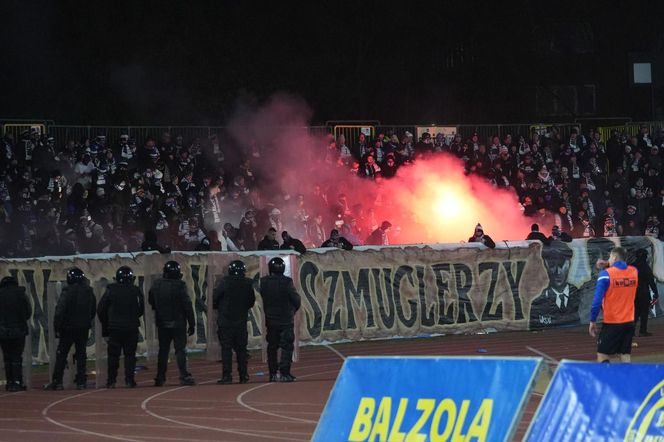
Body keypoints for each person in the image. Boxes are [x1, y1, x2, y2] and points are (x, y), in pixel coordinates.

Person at [45, 268, 96, 390]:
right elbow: (93, 309)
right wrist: (87, 321)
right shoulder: (89, 291)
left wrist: (56, 327)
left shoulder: (67, 291)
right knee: (81, 354)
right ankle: (81, 381)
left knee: (62, 354)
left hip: (67, 328)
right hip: (83, 327)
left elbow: (60, 311)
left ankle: (57, 381)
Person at [148, 261, 196, 386]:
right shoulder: (180, 285)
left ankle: (160, 377)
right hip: (178, 322)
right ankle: (184, 375)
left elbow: (151, 300)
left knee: (163, 351)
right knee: (180, 350)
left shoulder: (156, 285)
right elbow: (187, 305)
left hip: (162, 322)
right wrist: (192, 323)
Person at [97, 266, 145, 388]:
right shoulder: (135, 290)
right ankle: (129, 380)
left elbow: (101, 309)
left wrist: (106, 327)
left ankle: (111, 381)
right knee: (130, 356)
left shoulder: (110, 290)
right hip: (131, 328)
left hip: (114, 328)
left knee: (113, 356)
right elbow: (141, 309)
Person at [589, 247, 638, 363]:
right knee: (625, 354)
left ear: (614, 257)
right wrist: (607, 264)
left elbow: (596, 301)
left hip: (613, 323)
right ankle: (626, 380)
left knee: (602, 354)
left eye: (610, 257)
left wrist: (592, 320)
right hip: (629, 321)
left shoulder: (605, 275)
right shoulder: (634, 272)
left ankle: (607, 380)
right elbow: (622, 268)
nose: (609, 259)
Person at [212, 260, 255, 384]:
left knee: (226, 349)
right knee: (241, 349)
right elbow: (251, 301)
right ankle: (243, 374)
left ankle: (227, 376)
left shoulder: (225, 282)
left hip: (225, 321)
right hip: (240, 321)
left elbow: (215, 298)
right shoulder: (247, 283)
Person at [259, 257, 301, 382]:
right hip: (286, 319)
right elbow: (296, 299)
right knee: (287, 346)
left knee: (272, 347)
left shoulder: (264, 282)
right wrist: (292, 311)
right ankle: (285, 372)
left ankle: (272, 373)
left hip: (271, 320)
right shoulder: (287, 282)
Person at [529, 242, 580, 329]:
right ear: (545, 265)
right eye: (552, 265)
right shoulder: (538, 305)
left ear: (569, 264)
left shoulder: (580, 297)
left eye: (561, 264)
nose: (557, 272)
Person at [0, 276, 31, 391]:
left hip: (3, 331)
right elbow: (28, 312)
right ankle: (18, 382)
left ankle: (9, 382)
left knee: (7, 357)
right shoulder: (21, 294)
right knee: (17, 357)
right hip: (19, 330)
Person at [632, 249, 658, 337]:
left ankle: (631, 331)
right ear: (645, 256)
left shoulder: (631, 266)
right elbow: (651, 281)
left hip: (633, 293)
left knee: (634, 313)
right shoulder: (646, 267)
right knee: (644, 313)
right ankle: (642, 331)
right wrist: (656, 293)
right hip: (643, 292)